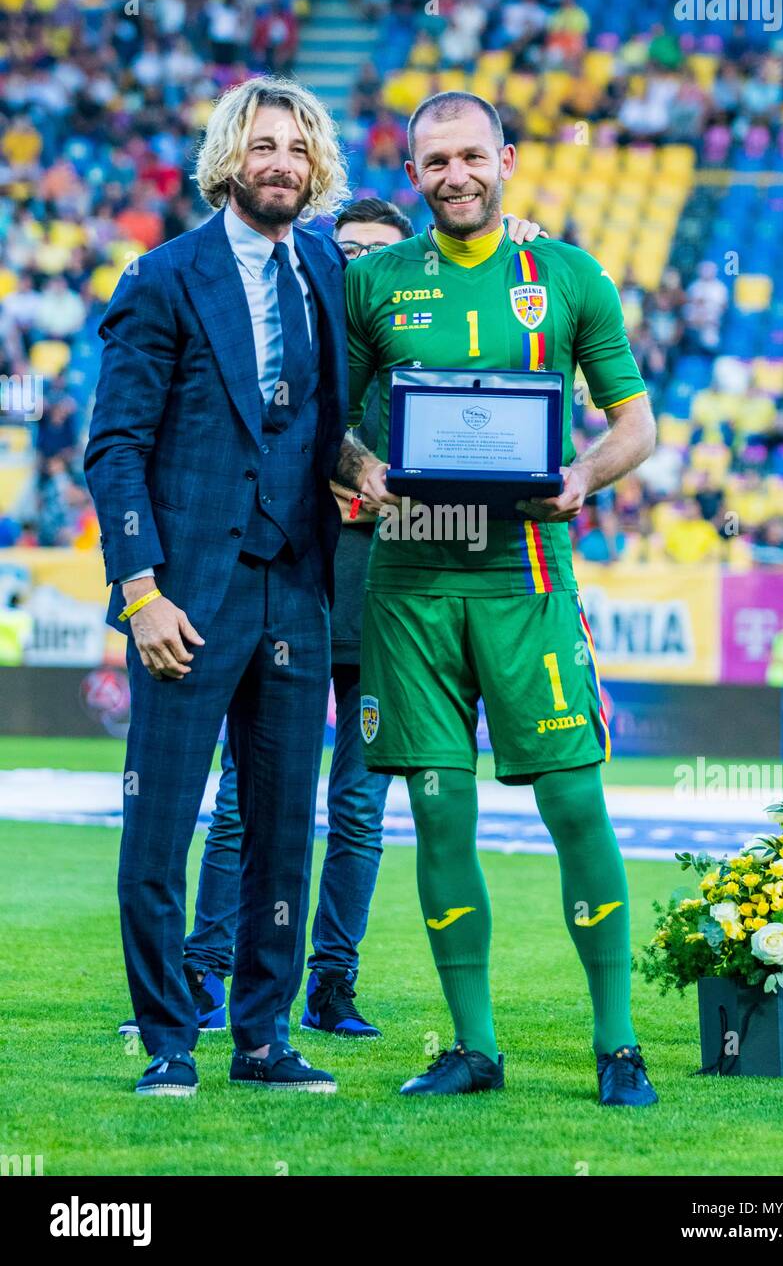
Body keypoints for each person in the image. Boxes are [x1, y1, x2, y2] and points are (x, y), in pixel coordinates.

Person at [115, 200, 547, 1044]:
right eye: (346, 252)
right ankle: (207, 975)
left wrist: (515, 237)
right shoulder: (306, 338)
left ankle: (328, 985)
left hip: (381, 607)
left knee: (354, 809)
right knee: (248, 802)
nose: (359, 270)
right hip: (292, 593)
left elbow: (463, 493)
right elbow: (251, 463)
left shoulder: (420, 361)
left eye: (378, 256)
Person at [336, 91, 659, 1106]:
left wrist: (581, 478)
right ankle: (472, 1048)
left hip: (525, 578)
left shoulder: (565, 274)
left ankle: (617, 1044)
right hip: (411, 587)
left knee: (574, 803)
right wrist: (361, 468)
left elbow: (633, 425)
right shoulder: (373, 282)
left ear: (507, 159)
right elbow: (328, 428)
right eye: (433, 163)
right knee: (438, 815)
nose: (454, 176)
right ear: (412, 176)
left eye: (470, 156)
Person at [85, 76, 350, 1097]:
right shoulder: (161, 277)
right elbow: (113, 449)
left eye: (295, 147)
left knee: (283, 833)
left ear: (313, 163)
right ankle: (166, 1042)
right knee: (160, 832)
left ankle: (263, 1041)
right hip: (185, 597)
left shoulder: (326, 269)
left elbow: (340, 415)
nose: (278, 161)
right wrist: (141, 590)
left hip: (297, 586)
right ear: (227, 159)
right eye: (261, 144)